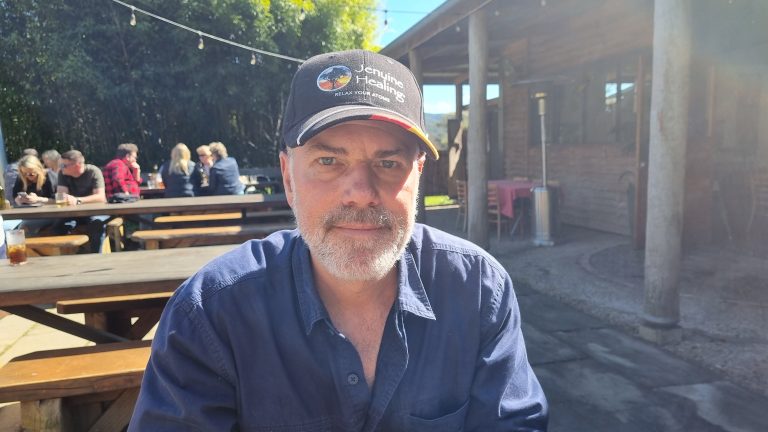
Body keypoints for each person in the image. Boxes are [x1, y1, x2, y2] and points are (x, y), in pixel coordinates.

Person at [131, 50, 547, 430]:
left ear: (418, 176)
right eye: (329, 161)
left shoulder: (477, 289)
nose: (361, 191)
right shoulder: (211, 314)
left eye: (388, 162)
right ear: (289, 178)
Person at [57, 150, 108, 252]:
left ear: (77, 165)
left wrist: (77, 200)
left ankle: (96, 257)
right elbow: (62, 196)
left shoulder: (93, 171)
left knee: (96, 223)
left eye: (63, 165)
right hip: (74, 212)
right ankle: (65, 258)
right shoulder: (62, 174)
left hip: (95, 211)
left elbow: (100, 198)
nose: (60, 168)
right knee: (58, 225)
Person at [12, 155, 59, 234]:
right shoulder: (21, 178)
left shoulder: (50, 177)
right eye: (24, 173)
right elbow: (15, 195)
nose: (28, 176)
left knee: (22, 229)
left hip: (50, 214)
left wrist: (38, 199)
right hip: (29, 215)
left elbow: (58, 200)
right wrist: (19, 199)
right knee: (8, 229)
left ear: (38, 169)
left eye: (31, 174)